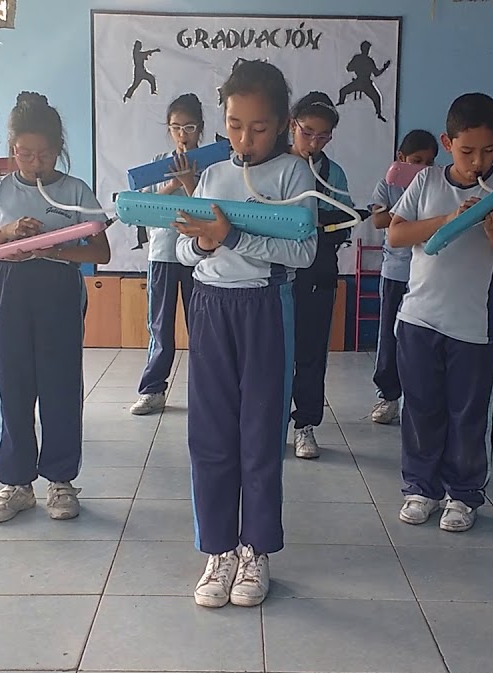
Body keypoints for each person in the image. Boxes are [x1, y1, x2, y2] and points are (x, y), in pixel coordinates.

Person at [174, 60, 317, 608]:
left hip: (264, 308)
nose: (244, 138)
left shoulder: (293, 175)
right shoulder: (212, 174)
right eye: (234, 125)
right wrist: (206, 245)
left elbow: (301, 253)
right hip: (210, 306)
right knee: (209, 434)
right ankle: (218, 551)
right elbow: (186, 245)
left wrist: (230, 237)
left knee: (259, 434)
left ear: (281, 123)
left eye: (258, 127)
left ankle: (256, 550)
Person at [387, 93, 493, 533]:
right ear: (447, 142)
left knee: (467, 414)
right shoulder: (428, 181)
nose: (478, 161)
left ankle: (463, 494)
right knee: (420, 408)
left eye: (488, 151)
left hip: (475, 327)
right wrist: (451, 218)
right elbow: (396, 235)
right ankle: (421, 487)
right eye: (467, 151)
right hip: (418, 319)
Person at [0, 92, 112, 525]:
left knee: (60, 386)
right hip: (10, 291)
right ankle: (15, 483)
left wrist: (52, 248)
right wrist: (8, 235)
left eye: (43, 154)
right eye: (23, 153)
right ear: (12, 150)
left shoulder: (75, 190)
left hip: (58, 292)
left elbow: (101, 252)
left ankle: (61, 480)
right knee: (12, 386)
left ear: (58, 150)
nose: (33, 162)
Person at [130, 93, 204, 416]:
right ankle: (153, 389)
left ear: (200, 128)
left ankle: (205, 391)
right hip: (162, 254)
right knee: (160, 326)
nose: (182, 134)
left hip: (199, 255)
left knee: (201, 326)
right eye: (176, 127)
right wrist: (174, 183)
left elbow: (210, 206)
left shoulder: (213, 163)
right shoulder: (157, 164)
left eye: (189, 127)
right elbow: (145, 208)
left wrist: (189, 182)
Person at [286, 91, 350, 460]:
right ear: (292, 125)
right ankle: (271, 421)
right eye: (307, 132)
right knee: (273, 353)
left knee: (310, 353)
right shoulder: (273, 164)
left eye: (323, 136)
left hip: (317, 273)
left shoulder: (332, 172)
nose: (314, 142)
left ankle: (305, 424)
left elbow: (341, 221)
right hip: (274, 273)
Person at [369, 129, 437, 424]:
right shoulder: (387, 185)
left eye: (429, 162)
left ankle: (420, 399)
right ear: (401, 159)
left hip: (428, 273)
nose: (423, 167)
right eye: (416, 160)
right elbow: (379, 219)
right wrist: (408, 202)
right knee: (389, 336)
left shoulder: (435, 185)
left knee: (423, 339)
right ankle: (388, 396)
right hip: (395, 271)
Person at [337, 41, 391, 122]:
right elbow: (349, 68)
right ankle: (340, 107)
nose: (367, 50)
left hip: (365, 83)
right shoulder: (359, 58)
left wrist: (384, 68)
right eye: (366, 48)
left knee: (377, 98)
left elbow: (376, 73)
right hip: (360, 82)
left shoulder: (368, 60)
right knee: (343, 91)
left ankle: (379, 114)